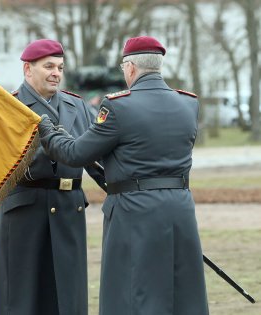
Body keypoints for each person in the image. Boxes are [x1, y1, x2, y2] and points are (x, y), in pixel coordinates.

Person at [38, 36, 209, 315]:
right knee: (182, 292)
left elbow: (74, 154)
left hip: (134, 210)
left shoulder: (118, 107)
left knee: (130, 292)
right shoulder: (188, 104)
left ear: (129, 68)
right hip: (180, 208)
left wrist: (49, 131)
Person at [0, 39, 106, 315]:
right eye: (49, 66)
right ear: (28, 70)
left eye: (60, 67)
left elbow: (95, 161)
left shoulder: (78, 107)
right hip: (23, 214)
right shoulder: (10, 108)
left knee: (68, 298)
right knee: (19, 298)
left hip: (68, 210)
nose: (56, 72)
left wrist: (130, 189)